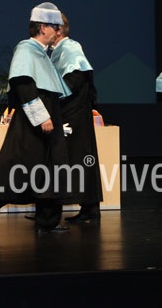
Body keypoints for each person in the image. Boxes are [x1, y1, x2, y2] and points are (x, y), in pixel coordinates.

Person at [0, 2, 72, 236]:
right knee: (23, 166)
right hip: (35, 120)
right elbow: (24, 86)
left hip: (49, 115)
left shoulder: (43, 53)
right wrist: (42, 117)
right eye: (55, 27)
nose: (58, 32)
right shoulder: (26, 50)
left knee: (52, 167)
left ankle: (48, 221)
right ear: (43, 27)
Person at [51, 13, 103, 224]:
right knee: (79, 159)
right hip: (69, 112)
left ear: (58, 30)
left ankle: (88, 209)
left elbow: (74, 81)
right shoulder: (59, 51)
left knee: (80, 159)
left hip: (74, 115)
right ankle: (87, 208)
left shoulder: (70, 49)